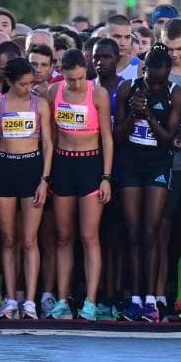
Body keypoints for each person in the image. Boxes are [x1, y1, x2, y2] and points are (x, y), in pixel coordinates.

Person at [114, 46, 181, 322]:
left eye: (161, 80)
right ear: (143, 71)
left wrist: (148, 115)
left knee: (151, 232)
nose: (156, 84)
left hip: (158, 164)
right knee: (133, 232)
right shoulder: (127, 89)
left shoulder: (174, 92)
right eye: (152, 79)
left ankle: (152, 299)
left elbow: (169, 138)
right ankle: (134, 297)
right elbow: (118, 137)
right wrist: (133, 114)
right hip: (131, 164)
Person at [47, 48, 114, 320]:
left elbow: (107, 138)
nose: (75, 84)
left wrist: (106, 177)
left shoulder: (97, 94)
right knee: (63, 237)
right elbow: (50, 138)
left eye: (80, 78)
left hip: (90, 165)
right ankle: (62, 299)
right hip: (63, 164)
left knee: (89, 237)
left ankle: (90, 299)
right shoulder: (54, 92)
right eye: (70, 79)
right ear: (62, 73)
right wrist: (47, 175)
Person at [0, 56, 53, 320]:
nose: (28, 88)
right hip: (4, 170)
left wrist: (44, 181)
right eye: (22, 84)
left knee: (29, 239)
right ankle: (11, 297)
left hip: (31, 170)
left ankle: (30, 301)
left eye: (30, 83)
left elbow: (47, 144)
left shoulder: (40, 105)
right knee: (8, 239)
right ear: (10, 82)